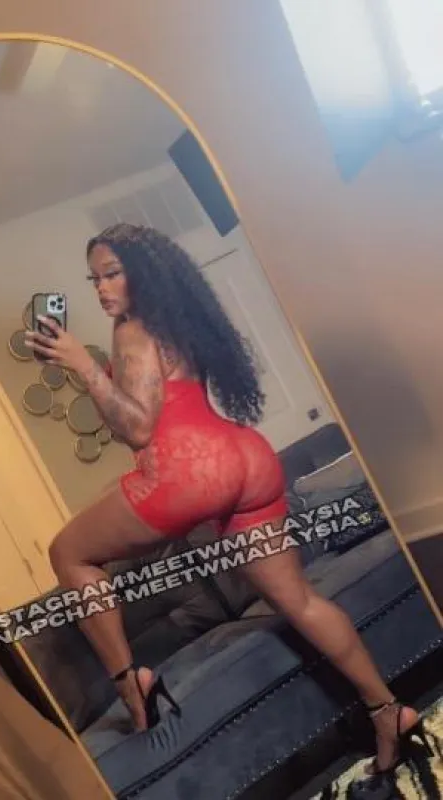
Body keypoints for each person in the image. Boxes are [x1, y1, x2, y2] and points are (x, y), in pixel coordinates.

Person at [25, 223, 429, 784]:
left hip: (191, 472)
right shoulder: (177, 318)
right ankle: (388, 709)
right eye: (94, 279)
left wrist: (83, 364)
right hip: (246, 458)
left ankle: (131, 684)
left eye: (112, 274)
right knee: (300, 601)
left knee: (68, 553)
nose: (101, 289)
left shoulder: (132, 329)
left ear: (143, 271)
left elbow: (139, 429)